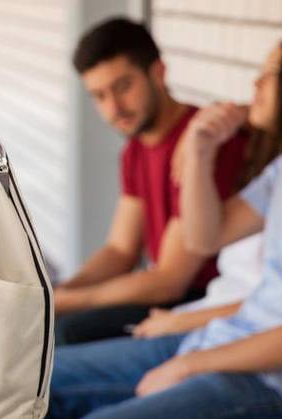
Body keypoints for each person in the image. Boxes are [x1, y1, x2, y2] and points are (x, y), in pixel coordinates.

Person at [49, 0, 282, 419]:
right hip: (225, 342)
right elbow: (206, 235)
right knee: (32, 378)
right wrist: (198, 152)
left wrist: (187, 365)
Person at [55, 19, 248, 344]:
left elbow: (171, 280)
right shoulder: (134, 151)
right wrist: (62, 292)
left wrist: (68, 303)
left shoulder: (203, 142)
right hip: (168, 291)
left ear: (158, 73)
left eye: (122, 87)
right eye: (99, 96)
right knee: (56, 324)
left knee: (68, 331)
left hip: (206, 300)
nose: (113, 108)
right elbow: (121, 249)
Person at [131, 39, 282, 340]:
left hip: (229, 333)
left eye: (272, 73)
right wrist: (198, 143)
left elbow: (281, 304)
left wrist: (177, 322)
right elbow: (202, 239)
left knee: (57, 364)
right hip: (207, 321)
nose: (257, 82)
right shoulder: (274, 163)